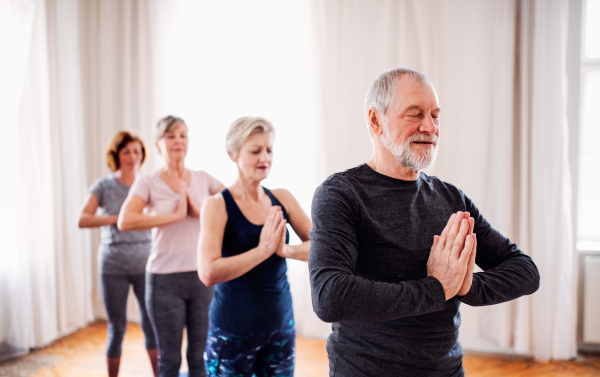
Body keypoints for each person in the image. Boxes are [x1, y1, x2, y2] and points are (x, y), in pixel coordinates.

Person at [308, 68, 540, 377]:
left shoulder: (451, 199)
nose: (429, 127)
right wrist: (436, 289)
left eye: (435, 115)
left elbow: (526, 271)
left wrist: (467, 286)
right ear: (376, 121)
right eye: (414, 114)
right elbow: (330, 296)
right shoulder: (341, 194)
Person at [197, 117, 312, 377]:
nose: (265, 157)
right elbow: (208, 272)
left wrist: (287, 251)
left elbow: (325, 247)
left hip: (280, 329)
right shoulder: (217, 206)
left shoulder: (282, 198)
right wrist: (262, 251)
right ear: (232, 154)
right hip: (232, 333)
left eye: (269, 150)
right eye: (255, 150)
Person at [118, 116, 224, 377]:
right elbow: (125, 220)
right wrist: (173, 217)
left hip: (202, 277)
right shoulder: (148, 182)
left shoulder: (203, 179)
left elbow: (233, 211)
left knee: (200, 358)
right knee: (170, 360)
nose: (178, 141)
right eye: (171, 136)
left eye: (183, 135)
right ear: (157, 144)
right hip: (164, 280)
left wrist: (198, 210)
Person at [78, 131, 157, 377]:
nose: (133, 157)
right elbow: (83, 219)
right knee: (118, 327)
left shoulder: (149, 183)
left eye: (137, 151)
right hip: (113, 266)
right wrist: (121, 219)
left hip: (145, 264)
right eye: (126, 152)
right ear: (116, 155)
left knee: (151, 325)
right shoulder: (103, 185)